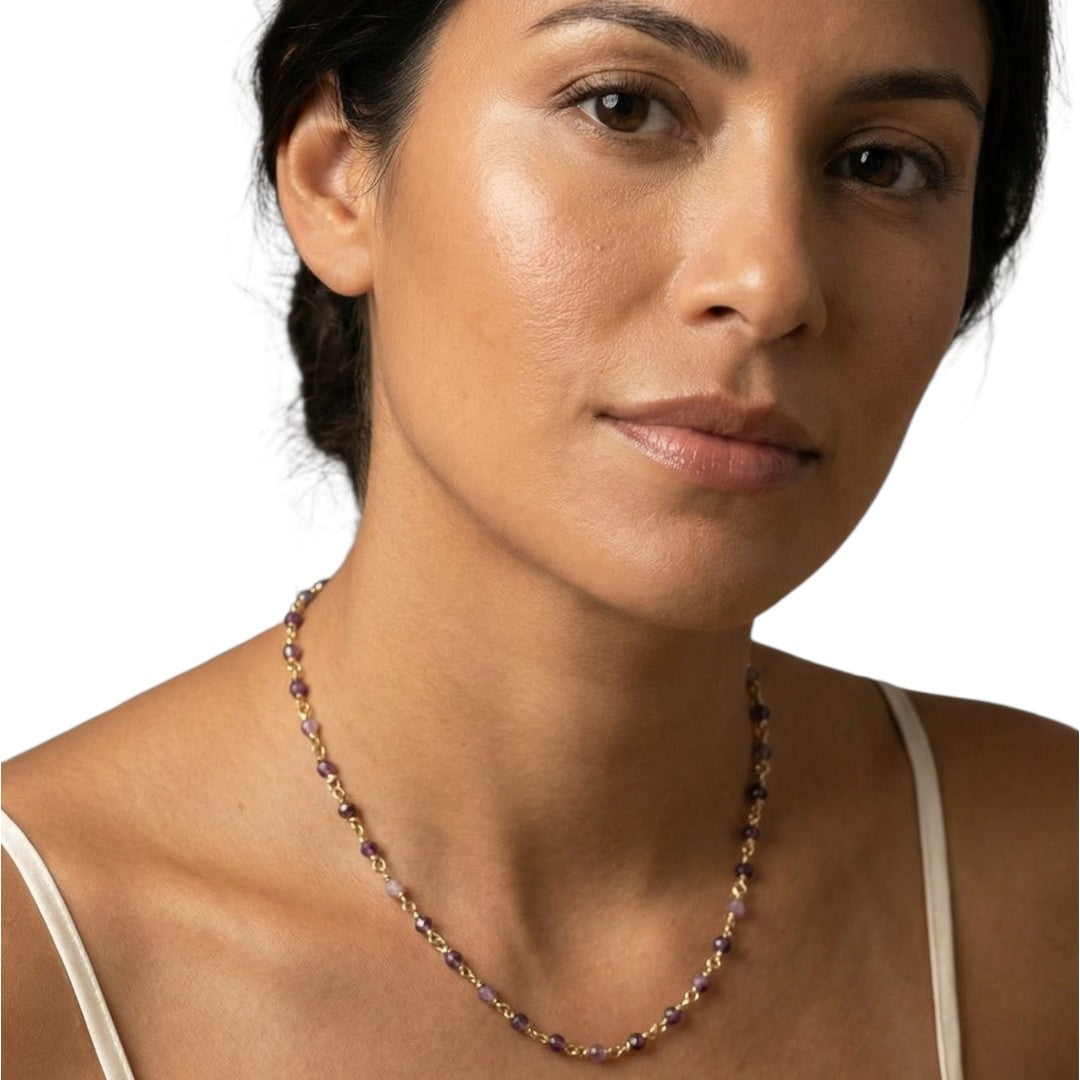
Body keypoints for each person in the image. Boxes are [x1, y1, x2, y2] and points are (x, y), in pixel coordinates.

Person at [2, 0, 1076, 1076]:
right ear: (337, 178)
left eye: (884, 165)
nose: (770, 285)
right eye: (624, 109)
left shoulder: (1046, 887)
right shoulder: (33, 965)